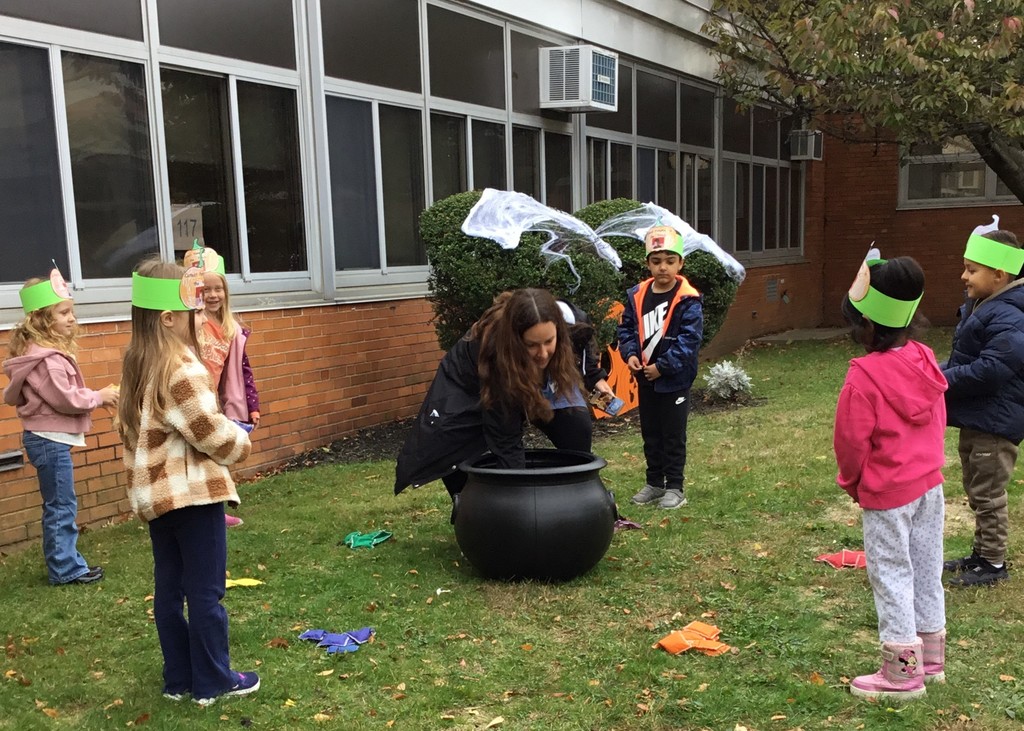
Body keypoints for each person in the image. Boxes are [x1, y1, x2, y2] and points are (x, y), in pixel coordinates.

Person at [118, 258, 258, 706]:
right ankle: (215, 680)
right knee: (206, 593)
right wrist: (241, 441)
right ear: (168, 318)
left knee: (169, 590)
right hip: (193, 498)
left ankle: (178, 678)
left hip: (158, 500)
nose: (202, 317)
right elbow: (210, 431)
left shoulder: (136, 365)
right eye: (195, 309)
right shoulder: (180, 367)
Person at [834, 253, 947, 702]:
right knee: (925, 568)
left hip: (887, 494)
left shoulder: (863, 377)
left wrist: (852, 481)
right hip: (929, 486)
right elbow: (938, 417)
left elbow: (851, 442)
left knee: (892, 574)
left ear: (866, 326)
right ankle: (932, 657)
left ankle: (902, 673)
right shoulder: (924, 359)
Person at [394, 288, 582, 499]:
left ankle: (584, 490)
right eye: (532, 345)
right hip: (461, 392)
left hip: (507, 380)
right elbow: (505, 436)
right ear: (516, 340)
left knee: (578, 422)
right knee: (457, 459)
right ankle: (472, 514)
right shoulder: (497, 357)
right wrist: (519, 497)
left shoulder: (566, 319)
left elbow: (584, 338)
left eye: (549, 341)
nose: (543, 353)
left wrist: (596, 375)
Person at [2, 270, 118, 585]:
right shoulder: (48, 360)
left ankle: (65, 564)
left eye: (72, 311)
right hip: (48, 440)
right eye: (63, 312)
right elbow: (66, 399)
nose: (72, 318)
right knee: (61, 505)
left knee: (60, 503)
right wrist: (100, 396)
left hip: (45, 439)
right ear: (41, 320)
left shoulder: (36, 355)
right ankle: (65, 568)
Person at [942, 226, 1024, 587]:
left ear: (999, 274)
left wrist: (942, 379)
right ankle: (981, 554)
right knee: (977, 489)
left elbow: (992, 370)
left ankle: (993, 564)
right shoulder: (985, 305)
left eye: (971, 269)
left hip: (995, 422)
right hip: (978, 417)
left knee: (989, 493)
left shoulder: (1011, 316)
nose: (964, 276)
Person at [617, 225, 703, 510]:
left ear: (680, 263)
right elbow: (627, 329)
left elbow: (690, 340)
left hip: (674, 379)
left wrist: (663, 367)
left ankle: (675, 486)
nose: (662, 267)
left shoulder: (688, 299)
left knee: (672, 434)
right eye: (656, 261)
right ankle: (654, 482)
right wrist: (630, 354)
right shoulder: (638, 295)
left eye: (669, 260)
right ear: (647, 263)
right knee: (650, 432)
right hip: (645, 379)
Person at [185, 244, 260, 528]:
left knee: (218, 455)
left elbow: (243, 370)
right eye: (205, 290)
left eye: (219, 289)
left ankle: (216, 509)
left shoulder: (232, 329)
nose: (213, 296)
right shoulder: (190, 325)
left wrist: (252, 405)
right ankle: (205, 509)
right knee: (200, 456)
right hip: (195, 399)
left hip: (218, 402)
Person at [547, 299, 616, 453]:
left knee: (579, 429)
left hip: (558, 381)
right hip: (520, 380)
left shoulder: (580, 324)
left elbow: (587, 363)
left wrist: (597, 381)